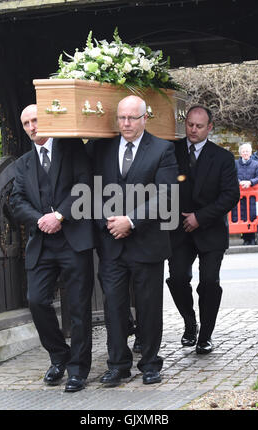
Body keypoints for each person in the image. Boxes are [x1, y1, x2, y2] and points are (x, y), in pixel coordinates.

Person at [88, 95, 178, 387]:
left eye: (132, 118)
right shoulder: (101, 147)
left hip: (147, 243)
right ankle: (118, 365)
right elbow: (91, 190)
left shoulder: (163, 149)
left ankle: (150, 364)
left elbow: (165, 195)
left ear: (144, 118)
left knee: (149, 307)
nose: (126, 123)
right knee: (114, 308)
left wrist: (132, 221)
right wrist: (109, 222)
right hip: (111, 243)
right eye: (122, 118)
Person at [10, 104, 95, 393]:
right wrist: (41, 220)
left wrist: (60, 215)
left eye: (36, 120)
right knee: (36, 301)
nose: (32, 126)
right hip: (42, 244)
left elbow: (85, 186)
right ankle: (59, 356)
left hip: (74, 240)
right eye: (26, 123)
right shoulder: (22, 164)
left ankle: (78, 370)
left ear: (45, 120)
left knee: (79, 308)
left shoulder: (72, 148)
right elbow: (16, 201)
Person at [167, 105, 240, 354]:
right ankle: (190, 323)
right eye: (189, 124)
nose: (193, 130)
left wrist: (200, 217)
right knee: (177, 279)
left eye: (199, 126)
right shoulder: (171, 151)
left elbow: (231, 195)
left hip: (210, 230)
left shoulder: (223, 157)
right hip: (177, 230)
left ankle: (205, 335)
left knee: (209, 282)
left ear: (210, 127)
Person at [231, 143, 258, 245]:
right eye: (243, 151)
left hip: (252, 196)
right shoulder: (235, 164)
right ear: (240, 153)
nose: (245, 153)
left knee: (252, 215)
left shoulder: (256, 164)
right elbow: (231, 175)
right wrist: (239, 182)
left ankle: (252, 238)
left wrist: (250, 182)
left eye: (247, 151)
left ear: (250, 153)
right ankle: (245, 239)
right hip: (239, 196)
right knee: (241, 216)